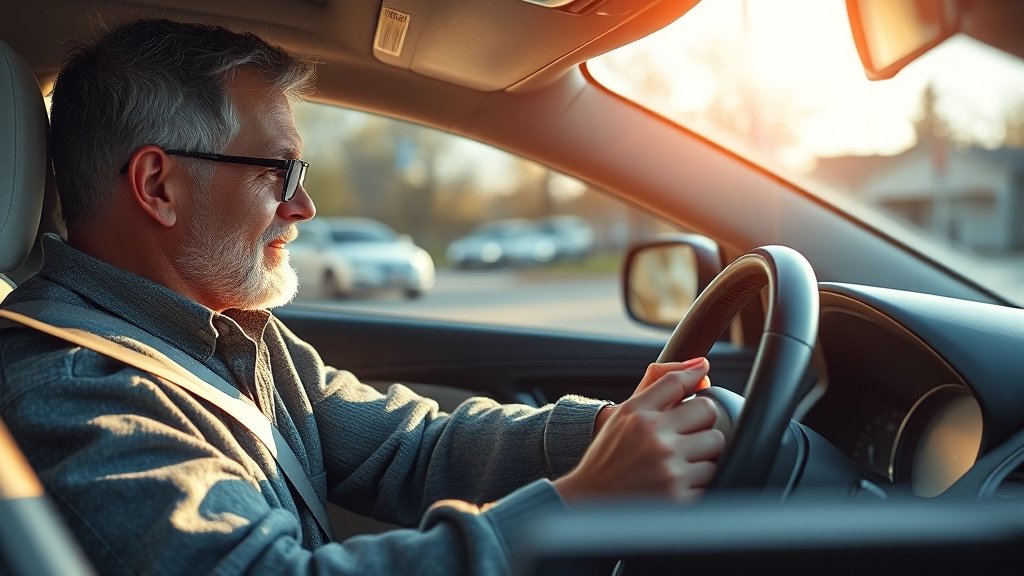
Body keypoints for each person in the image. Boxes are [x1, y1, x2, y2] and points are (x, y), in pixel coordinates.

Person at [0, 18, 725, 575]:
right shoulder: (73, 392)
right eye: (278, 172)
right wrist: (574, 506)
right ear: (159, 186)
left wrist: (608, 432)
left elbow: (410, 449)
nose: (305, 205)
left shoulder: (232, 333)